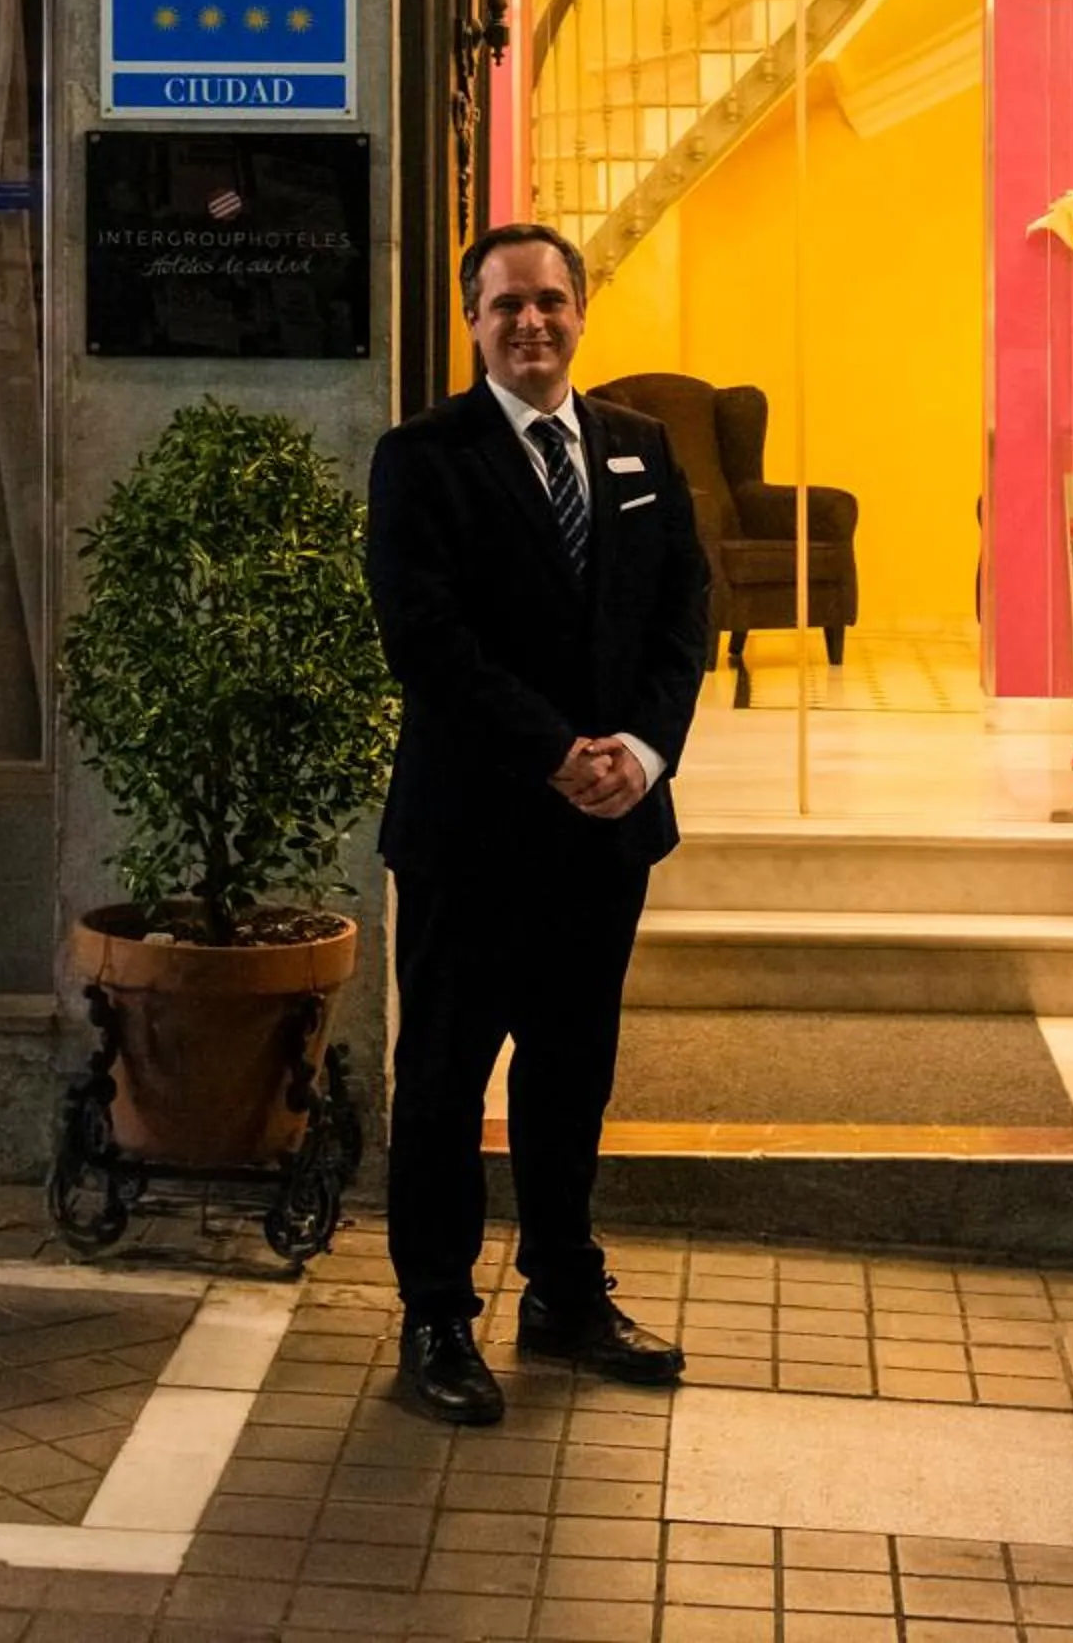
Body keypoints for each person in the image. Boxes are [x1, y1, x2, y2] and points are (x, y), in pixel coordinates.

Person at [365, 220, 708, 1424]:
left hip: (605, 834)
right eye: (506, 305)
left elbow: (681, 622)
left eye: (550, 301)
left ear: (579, 311)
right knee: (447, 1081)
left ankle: (564, 1293)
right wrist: (555, 752)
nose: (532, 322)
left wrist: (643, 755)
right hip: (471, 833)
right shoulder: (423, 457)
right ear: (473, 320)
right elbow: (426, 643)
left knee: (573, 1076)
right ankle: (436, 1318)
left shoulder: (640, 449)